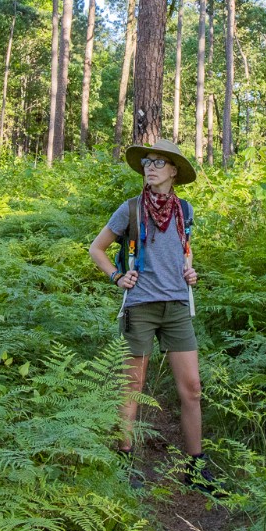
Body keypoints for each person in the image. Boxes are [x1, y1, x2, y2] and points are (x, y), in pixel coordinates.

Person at [88, 137, 217, 493]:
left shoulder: (185, 210)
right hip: (140, 307)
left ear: (174, 171)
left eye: (159, 162)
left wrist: (190, 271)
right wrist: (117, 277)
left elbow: (184, 252)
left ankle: (195, 467)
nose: (150, 167)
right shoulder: (129, 210)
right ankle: (125, 463)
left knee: (192, 389)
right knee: (132, 387)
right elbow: (96, 249)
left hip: (177, 306)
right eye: (147, 162)